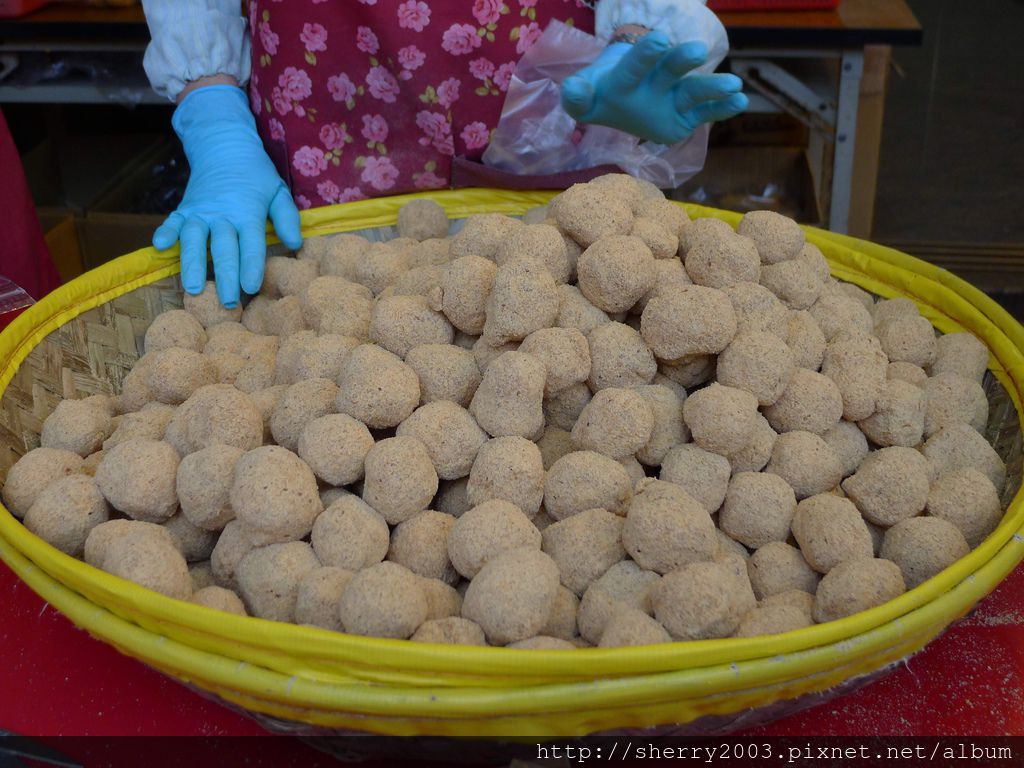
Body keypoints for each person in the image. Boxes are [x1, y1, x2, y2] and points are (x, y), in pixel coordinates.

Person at [141, 1, 747, 307]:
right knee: (318, 301)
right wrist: (213, 116)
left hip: (543, 120)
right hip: (327, 120)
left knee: (571, 285)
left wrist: (640, 38)